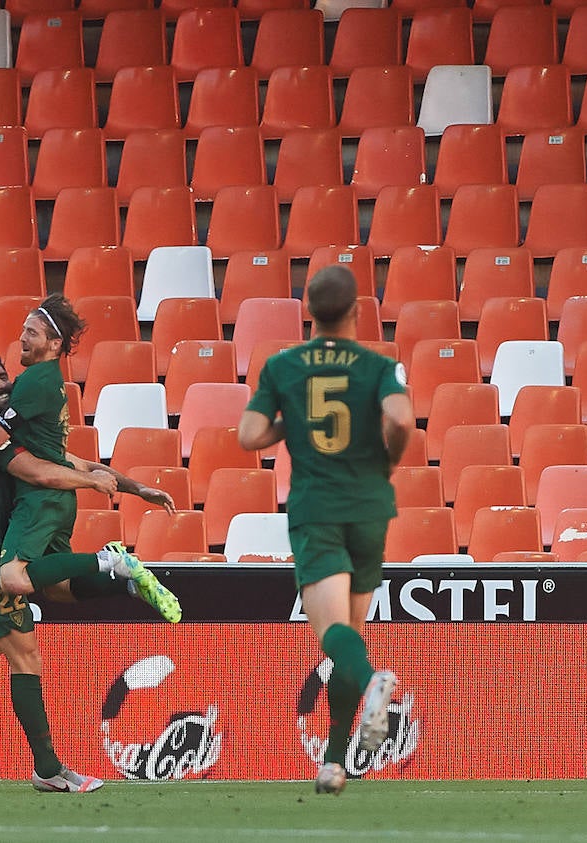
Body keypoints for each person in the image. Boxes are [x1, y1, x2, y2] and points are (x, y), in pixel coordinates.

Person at [0, 352, 176, 796]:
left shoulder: (13, 433)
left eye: (3, 375)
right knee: (26, 659)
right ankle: (48, 768)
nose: (0, 383)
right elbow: (43, 474)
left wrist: (137, 488)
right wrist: (90, 485)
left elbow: (77, 463)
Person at [237, 266, 413, 796]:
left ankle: (379, 681)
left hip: (317, 509)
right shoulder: (377, 365)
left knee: (333, 638)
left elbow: (248, 435)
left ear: (308, 311)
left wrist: (290, 419)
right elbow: (402, 419)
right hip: (369, 507)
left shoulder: (283, 367)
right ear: (357, 311)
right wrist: (387, 463)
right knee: (348, 640)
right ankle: (335, 763)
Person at [0, 293, 181, 620]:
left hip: (39, 501)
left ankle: (112, 560)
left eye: (32, 332)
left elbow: (4, 442)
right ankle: (125, 584)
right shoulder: (49, 385)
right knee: (58, 588)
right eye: (23, 330)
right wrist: (138, 489)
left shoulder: (31, 384)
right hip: (59, 503)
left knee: (13, 578)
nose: (22, 338)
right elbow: (76, 461)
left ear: (54, 345)